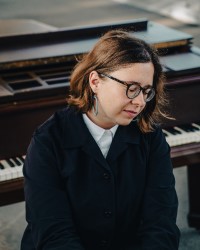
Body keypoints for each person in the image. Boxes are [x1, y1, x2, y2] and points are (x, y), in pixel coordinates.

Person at [21, 29, 180, 250]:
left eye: (146, 91)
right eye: (131, 88)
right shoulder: (47, 141)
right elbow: (53, 232)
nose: (140, 102)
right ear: (95, 81)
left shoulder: (151, 138)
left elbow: (160, 223)